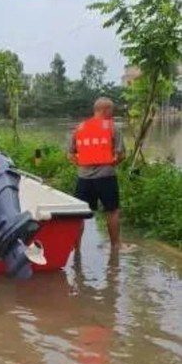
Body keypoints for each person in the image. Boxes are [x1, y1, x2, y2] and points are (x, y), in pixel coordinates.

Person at [67, 97, 126, 250]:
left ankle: (76, 248)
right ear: (104, 110)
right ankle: (115, 245)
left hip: (84, 178)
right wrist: (114, 164)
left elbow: (70, 155)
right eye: (111, 110)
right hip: (106, 176)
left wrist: (81, 165)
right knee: (112, 211)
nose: (112, 113)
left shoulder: (79, 128)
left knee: (79, 214)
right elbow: (121, 155)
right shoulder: (112, 128)